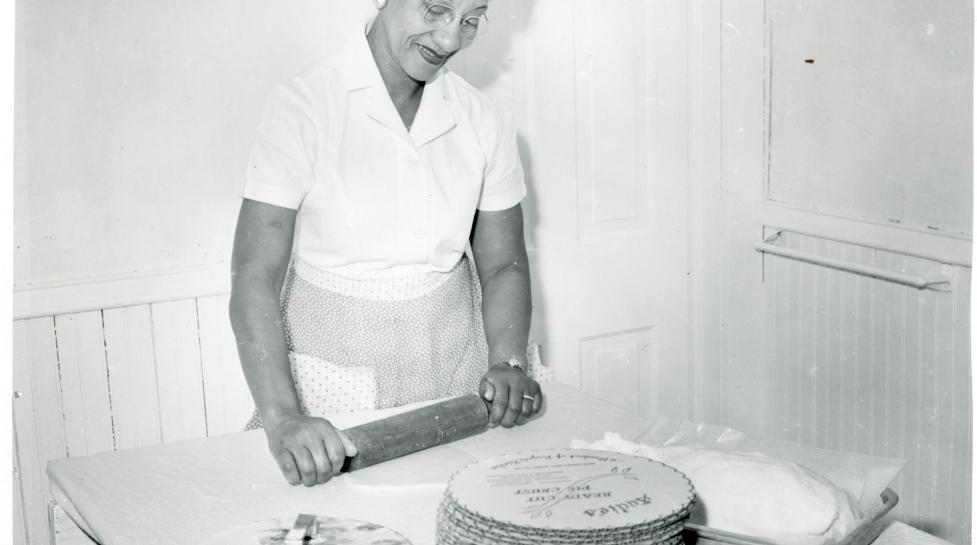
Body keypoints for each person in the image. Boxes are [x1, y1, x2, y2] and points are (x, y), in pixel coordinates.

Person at [229, 0, 544, 488]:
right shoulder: (306, 105)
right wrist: (285, 417)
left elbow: (504, 264)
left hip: (457, 370)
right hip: (331, 384)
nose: (450, 40)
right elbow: (254, 275)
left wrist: (508, 361)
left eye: (471, 19)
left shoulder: (483, 117)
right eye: (436, 9)